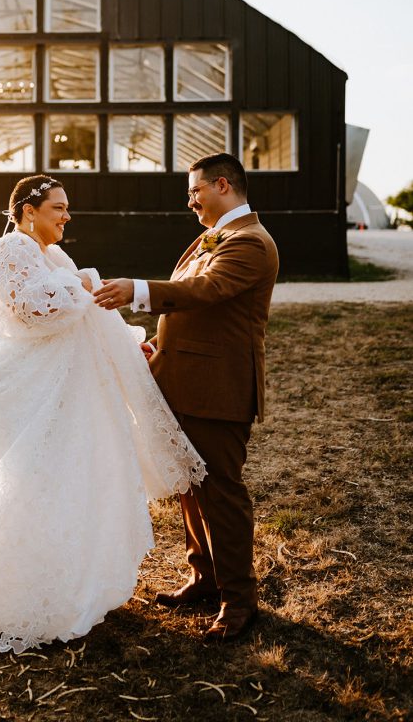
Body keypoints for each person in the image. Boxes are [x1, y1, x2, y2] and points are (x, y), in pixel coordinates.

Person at [0, 174, 205, 653]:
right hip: (35, 389)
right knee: (31, 481)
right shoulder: (5, 251)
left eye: (67, 208)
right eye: (58, 208)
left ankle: (67, 586)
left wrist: (127, 340)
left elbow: (89, 317)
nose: (67, 216)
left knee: (73, 480)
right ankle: (5, 590)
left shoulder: (56, 257)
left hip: (72, 389)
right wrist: (83, 282)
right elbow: (32, 312)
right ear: (28, 210)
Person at [94, 153, 279, 642]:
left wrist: (135, 289)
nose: (191, 201)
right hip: (182, 380)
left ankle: (239, 601)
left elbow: (205, 290)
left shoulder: (251, 242)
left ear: (223, 185)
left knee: (220, 493)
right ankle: (205, 577)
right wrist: (160, 344)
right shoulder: (213, 236)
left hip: (218, 389)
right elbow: (195, 308)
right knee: (189, 487)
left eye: (195, 191)